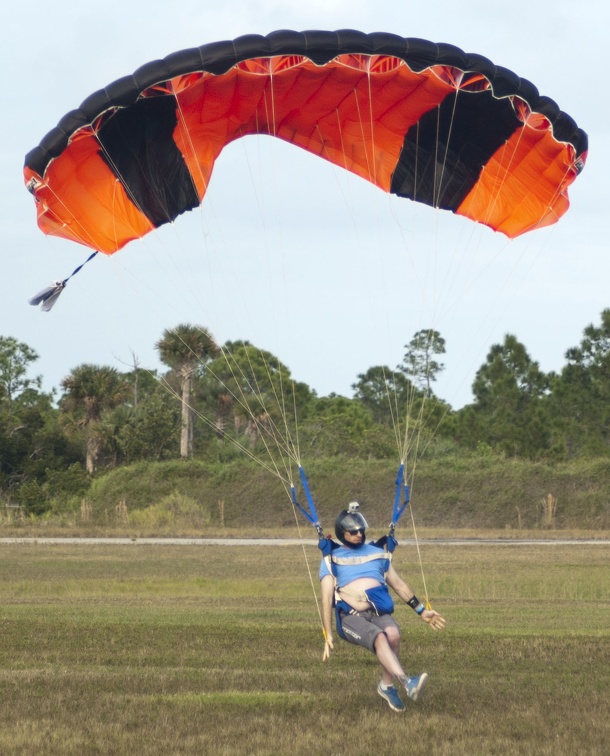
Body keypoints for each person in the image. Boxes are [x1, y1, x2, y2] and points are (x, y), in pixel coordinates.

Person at [319, 502, 446, 712]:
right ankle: (406, 682)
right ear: (342, 534)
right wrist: (328, 634)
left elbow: (398, 585)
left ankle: (386, 686)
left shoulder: (378, 553)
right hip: (350, 617)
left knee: (393, 634)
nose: (359, 534)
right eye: (353, 532)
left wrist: (421, 611)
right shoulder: (331, 559)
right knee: (379, 637)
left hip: (377, 611)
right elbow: (325, 598)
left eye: (361, 530)